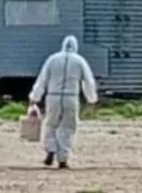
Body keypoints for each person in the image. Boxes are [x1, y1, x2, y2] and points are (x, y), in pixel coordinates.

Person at [29, 35, 98, 169]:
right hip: (71, 97)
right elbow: (88, 81)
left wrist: (35, 97)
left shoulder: (52, 59)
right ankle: (63, 159)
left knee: (51, 124)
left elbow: (42, 79)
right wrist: (91, 99)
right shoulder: (80, 61)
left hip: (53, 97)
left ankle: (50, 150)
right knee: (68, 127)